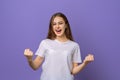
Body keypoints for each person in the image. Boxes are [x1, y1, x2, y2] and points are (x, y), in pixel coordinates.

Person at [24, 12, 94, 80]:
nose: (57, 26)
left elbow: (73, 71)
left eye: (60, 23)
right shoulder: (45, 43)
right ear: (52, 27)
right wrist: (29, 59)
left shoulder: (74, 46)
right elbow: (35, 66)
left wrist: (85, 63)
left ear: (66, 25)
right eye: (54, 24)